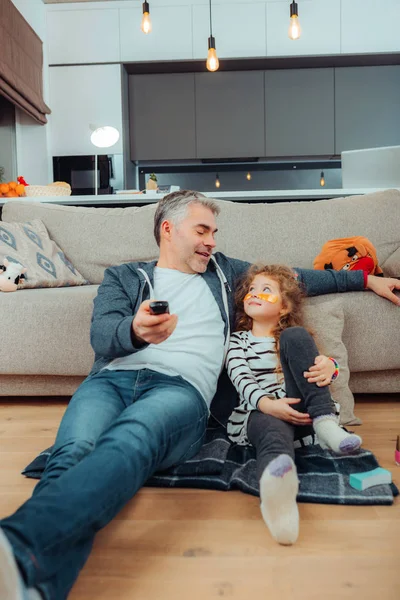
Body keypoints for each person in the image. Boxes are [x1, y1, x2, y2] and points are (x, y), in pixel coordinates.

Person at [0, 190, 399, 600]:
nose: (212, 240)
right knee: (71, 453)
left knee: (129, 440)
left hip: (180, 389)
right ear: (168, 229)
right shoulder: (125, 277)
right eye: (202, 230)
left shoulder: (226, 274)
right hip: (111, 380)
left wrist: (366, 278)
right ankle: (37, 586)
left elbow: (294, 278)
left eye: (214, 231)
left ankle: (17, 546)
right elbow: (102, 335)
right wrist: (135, 332)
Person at [226, 263, 363, 546]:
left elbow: (318, 370)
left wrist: (331, 366)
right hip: (262, 413)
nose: (255, 294)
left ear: (284, 307)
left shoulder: (293, 338)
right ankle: (279, 500)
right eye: (252, 289)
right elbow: (240, 377)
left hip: (306, 414)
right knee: (272, 433)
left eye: (266, 290)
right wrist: (267, 405)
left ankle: (326, 424)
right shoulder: (237, 342)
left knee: (295, 335)